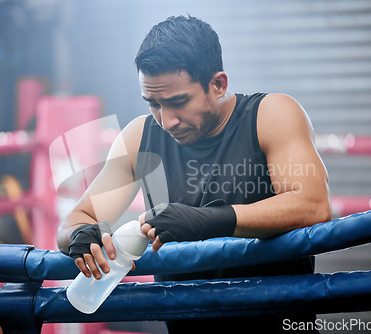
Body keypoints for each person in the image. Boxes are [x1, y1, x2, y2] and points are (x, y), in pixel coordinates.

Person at [57, 15, 331, 333]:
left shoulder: (270, 115)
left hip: (277, 321)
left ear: (218, 85)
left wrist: (210, 220)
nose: (166, 120)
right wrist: (79, 237)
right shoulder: (139, 138)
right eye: (154, 104)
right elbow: (77, 219)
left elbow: (313, 205)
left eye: (178, 102)